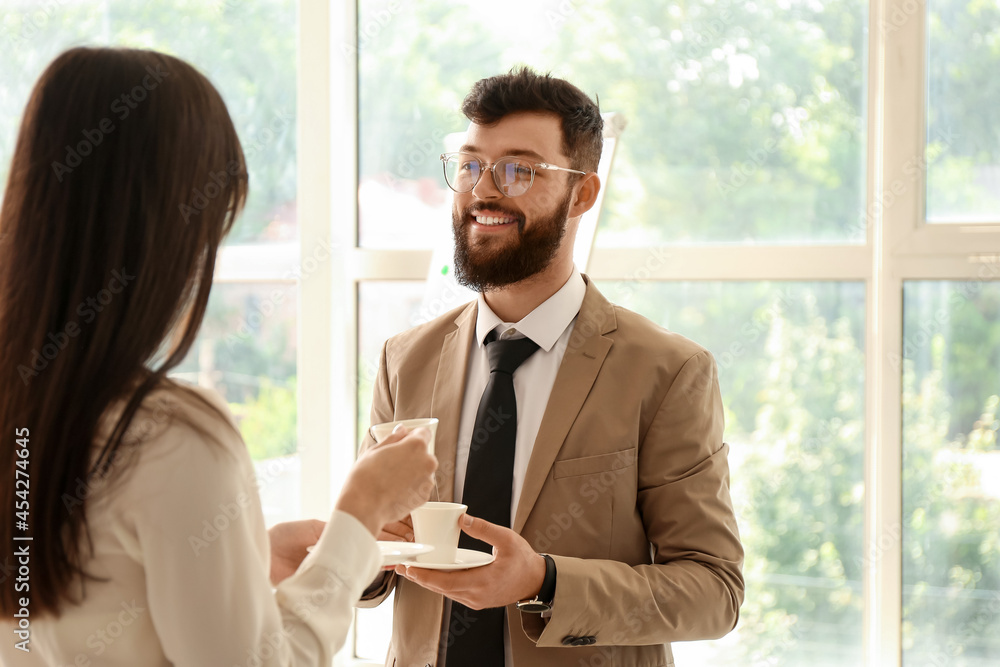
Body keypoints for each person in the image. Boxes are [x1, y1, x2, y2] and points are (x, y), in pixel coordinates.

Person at [0, 47, 437, 666]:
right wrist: (361, 512)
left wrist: (243, 558)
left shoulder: (28, 406)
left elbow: (80, 595)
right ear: (171, 230)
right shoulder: (172, 436)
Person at [357, 67, 745, 666]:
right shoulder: (404, 360)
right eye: (469, 165)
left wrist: (546, 582)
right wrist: (363, 547)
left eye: (519, 170)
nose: (484, 191)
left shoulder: (667, 372)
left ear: (583, 194)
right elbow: (372, 565)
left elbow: (714, 592)